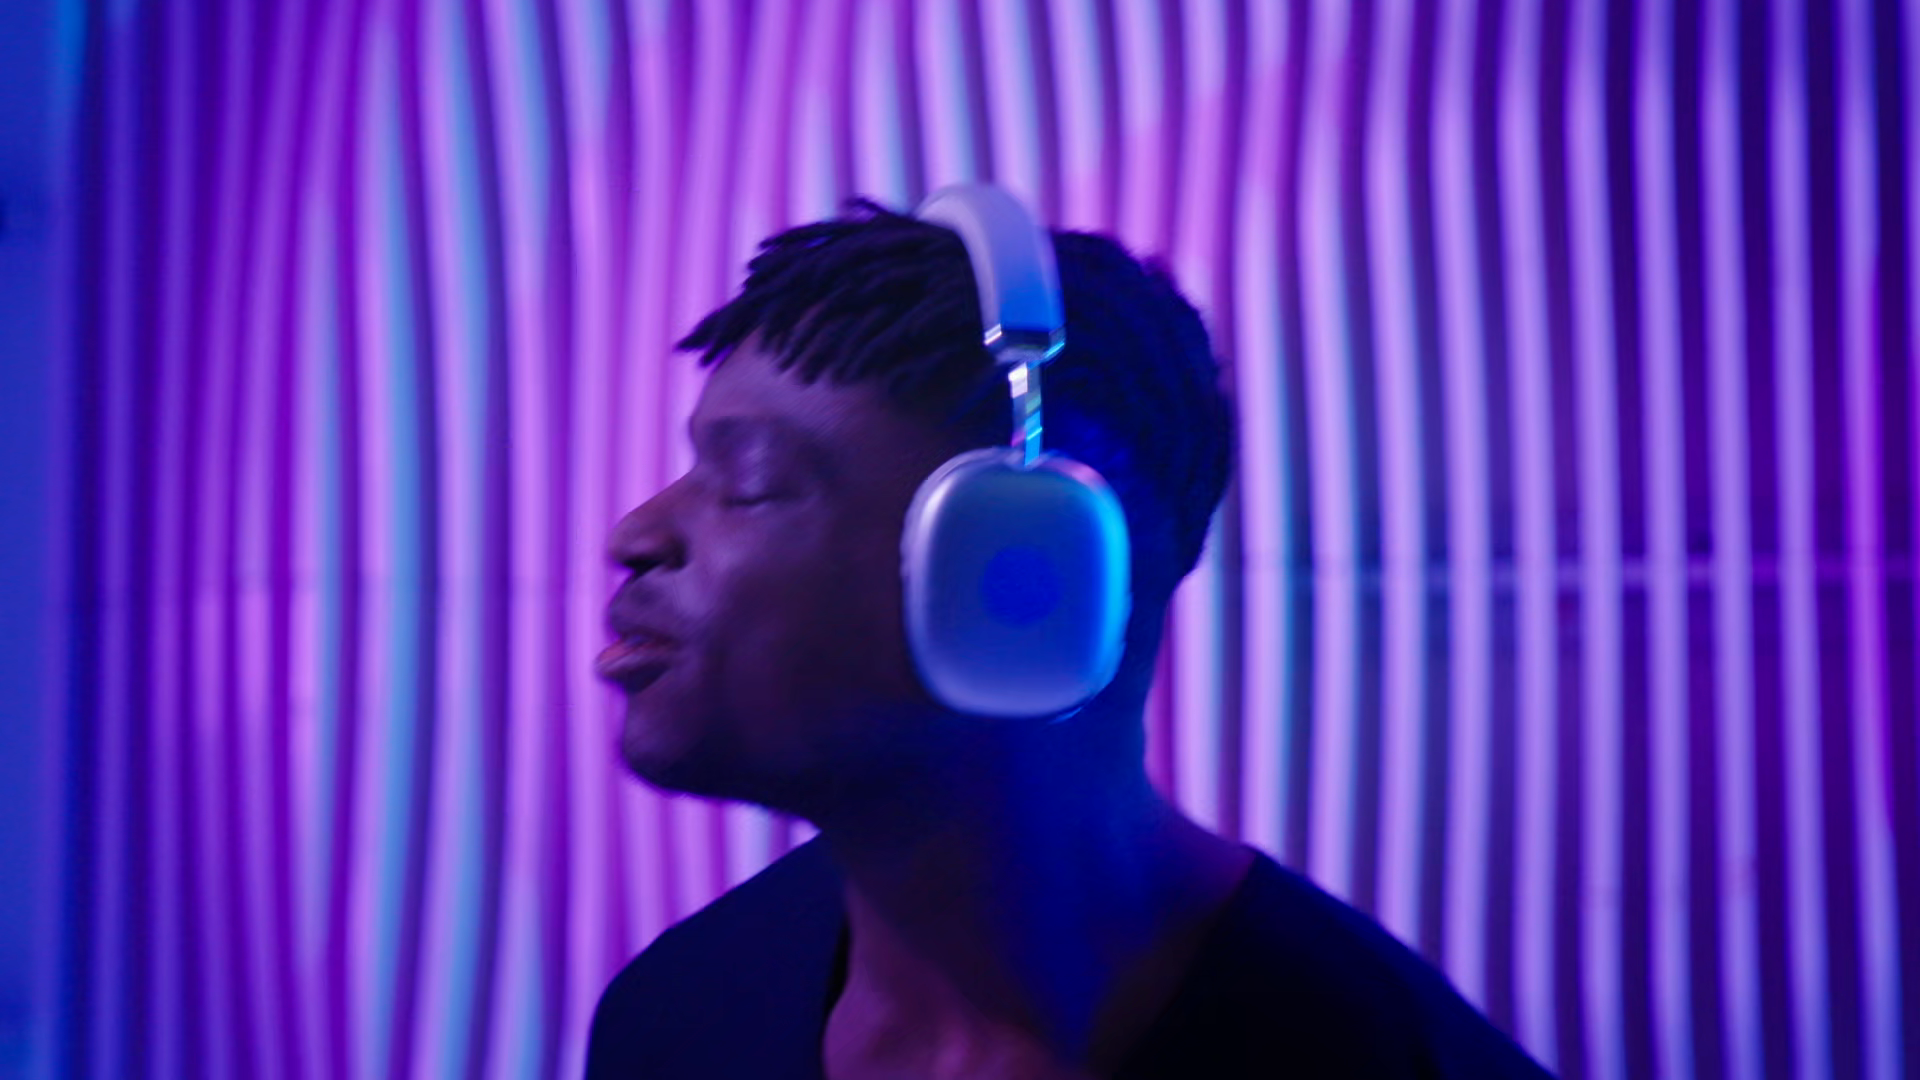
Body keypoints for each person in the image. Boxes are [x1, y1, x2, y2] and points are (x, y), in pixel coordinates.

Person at [585, 197, 1552, 1078]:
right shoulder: (675, 1019)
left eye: (749, 483)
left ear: (1021, 575)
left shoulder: (1395, 1063)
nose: (634, 535)